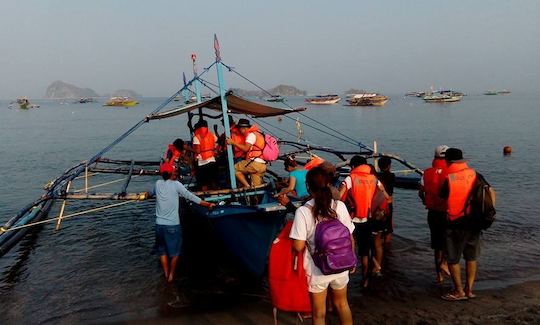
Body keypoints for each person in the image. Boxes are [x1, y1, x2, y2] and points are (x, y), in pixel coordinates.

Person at [289, 166, 354, 325]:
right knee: (342, 304)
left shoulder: (304, 211)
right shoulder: (339, 206)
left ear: (308, 186)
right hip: (341, 264)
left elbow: (298, 246)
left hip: (318, 269)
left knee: (319, 314)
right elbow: (349, 235)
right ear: (328, 183)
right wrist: (352, 258)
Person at [146, 163, 215, 283]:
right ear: (171, 173)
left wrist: (147, 194)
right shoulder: (176, 185)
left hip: (159, 225)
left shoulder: (157, 184)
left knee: (162, 251)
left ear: (162, 174)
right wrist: (207, 204)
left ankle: (166, 273)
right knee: (175, 252)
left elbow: (149, 193)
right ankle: (171, 275)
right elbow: (190, 196)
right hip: (173, 225)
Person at [439, 148, 480, 301]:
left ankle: (459, 291)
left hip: (455, 222)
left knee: (453, 258)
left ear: (448, 161)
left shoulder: (450, 178)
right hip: (475, 222)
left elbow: (443, 196)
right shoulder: (475, 174)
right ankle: (469, 289)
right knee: (471, 257)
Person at [338, 155, 387, 286]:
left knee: (347, 247)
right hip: (369, 219)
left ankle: (342, 277)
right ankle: (365, 280)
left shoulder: (350, 178)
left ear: (353, 166)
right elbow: (385, 196)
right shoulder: (374, 179)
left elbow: (339, 196)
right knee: (365, 252)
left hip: (352, 220)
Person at [419, 145, 451, 284]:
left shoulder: (426, 173)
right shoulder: (452, 172)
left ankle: (439, 277)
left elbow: (421, 192)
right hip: (449, 213)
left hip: (433, 213)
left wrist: (426, 201)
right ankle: (446, 263)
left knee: (437, 246)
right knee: (450, 242)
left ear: (435, 157)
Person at [226, 118, 267, 188]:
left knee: (233, 169)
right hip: (262, 165)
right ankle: (257, 196)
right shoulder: (259, 134)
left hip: (254, 164)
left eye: (240, 129)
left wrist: (233, 142)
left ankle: (247, 186)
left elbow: (245, 149)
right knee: (256, 188)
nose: (240, 131)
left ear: (244, 128)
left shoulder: (251, 135)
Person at [192, 119, 218, 190]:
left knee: (203, 183)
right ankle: (217, 195)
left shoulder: (196, 137)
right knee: (213, 181)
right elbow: (216, 142)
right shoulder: (212, 135)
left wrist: (189, 148)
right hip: (212, 160)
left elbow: (197, 150)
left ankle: (206, 197)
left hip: (202, 163)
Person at [376, 156, 395, 244]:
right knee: (388, 228)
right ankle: (387, 248)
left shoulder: (376, 177)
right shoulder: (391, 176)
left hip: (378, 203)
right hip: (388, 202)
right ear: (389, 166)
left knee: (378, 227)